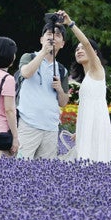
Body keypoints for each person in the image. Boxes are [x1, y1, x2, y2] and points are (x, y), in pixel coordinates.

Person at [56, 10, 111, 166]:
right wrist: (81, 131)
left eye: (83, 48)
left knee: (95, 160)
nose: (80, 50)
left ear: (94, 53)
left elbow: (87, 43)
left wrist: (70, 24)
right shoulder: (87, 78)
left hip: (98, 125)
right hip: (88, 126)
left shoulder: (97, 70)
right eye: (77, 49)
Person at [16, 21, 70, 160]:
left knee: (46, 173)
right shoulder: (29, 57)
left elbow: (63, 102)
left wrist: (59, 89)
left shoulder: (62, 70)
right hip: (28, 125)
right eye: (49, 34)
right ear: (41, 39)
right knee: (20, 168)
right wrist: (44, 52)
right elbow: (26, 73)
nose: (52, 37)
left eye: (57, 35)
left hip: (51, 128)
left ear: (62, 43)